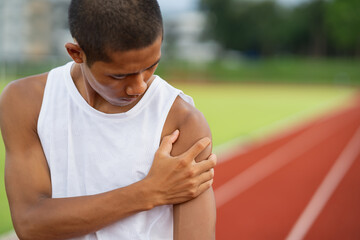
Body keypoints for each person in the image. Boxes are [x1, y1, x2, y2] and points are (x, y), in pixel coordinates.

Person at [0, 0, 216, 239]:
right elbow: (30, 224)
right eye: (119, 75)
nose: (138, 87)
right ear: (77, 53)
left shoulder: (182, 121)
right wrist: (149, 191)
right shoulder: (26, 102)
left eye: (151, 66)